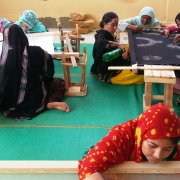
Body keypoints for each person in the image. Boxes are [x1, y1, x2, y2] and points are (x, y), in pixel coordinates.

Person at [78, 103, 180, 180]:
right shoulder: (120, 138)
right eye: (152, 145)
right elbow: (88, 169)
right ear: (141, 136)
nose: (158, 155)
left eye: (167, 148)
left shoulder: (173, 148)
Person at [0, 24, 69, 120]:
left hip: (11, 101)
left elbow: (1, 79)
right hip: (35, 96)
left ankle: (34, 103)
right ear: (22, 35)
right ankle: (48, 103)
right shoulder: (37, 51)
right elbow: (47, 73)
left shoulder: (4, 58)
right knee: (60, 83)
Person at [91, 12, 144, 85]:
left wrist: (121, 49)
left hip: (115, 60)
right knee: (142, 76)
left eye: (116, 25)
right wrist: (121, 51)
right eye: (112, 25)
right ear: (104, 23)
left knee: (130, 46)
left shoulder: (108, 34)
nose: (115, 27)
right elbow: (102, 43)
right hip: (110, 72)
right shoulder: (101, 36)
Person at [163, 13, 180, 95]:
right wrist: (167, 30)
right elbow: (169, 28)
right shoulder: (178, 27)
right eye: (178, 24)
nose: (179, 27)